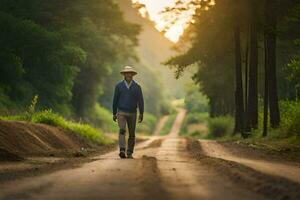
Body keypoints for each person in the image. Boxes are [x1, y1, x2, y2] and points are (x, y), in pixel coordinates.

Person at [112, 66, 144, 159]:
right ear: (124, 75)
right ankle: (122, 149)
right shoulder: (119, 86)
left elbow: (140, 101)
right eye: (127, 73)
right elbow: (115, 100)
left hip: (133, 113)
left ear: (132, 75)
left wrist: (141, 113)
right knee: (122, 130)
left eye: (130, 73)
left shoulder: (137, 87)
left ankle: (129, 152)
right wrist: (114, 113)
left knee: (132, 133)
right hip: (121, 112)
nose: (128, 75)